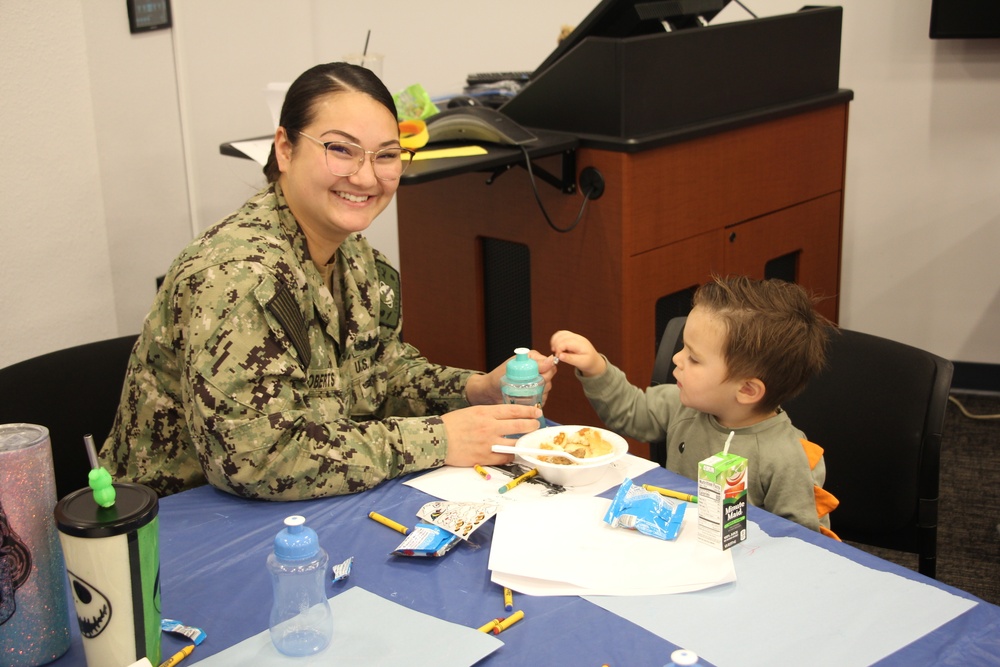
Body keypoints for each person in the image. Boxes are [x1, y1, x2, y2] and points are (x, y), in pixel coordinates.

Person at [100, 62, 556, 500]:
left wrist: (473, 390)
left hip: (301, 505)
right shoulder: (235, 276)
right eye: (341, 149)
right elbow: (257, 457)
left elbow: (383, 372)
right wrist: (438, 439)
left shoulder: (356, 257)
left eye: (387, 155)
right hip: (176, 531)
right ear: (284, 148)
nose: (366, 175)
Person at [550, 275, 836, 532]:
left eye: (694, 358)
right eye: (683, 348)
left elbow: (802, 542)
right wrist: (596, 367)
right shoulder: (684, 404)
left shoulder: (788, 457)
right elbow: (633, 412)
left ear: (747, 389)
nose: (677, 358)